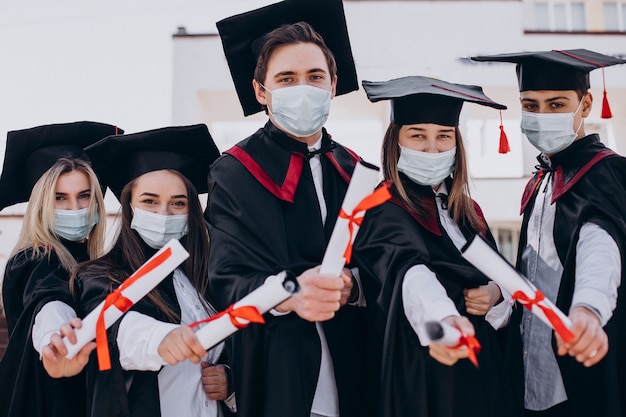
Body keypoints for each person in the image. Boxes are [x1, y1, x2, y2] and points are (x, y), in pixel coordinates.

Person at [207, 0, 368, 416]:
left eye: (314, 77)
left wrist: (354, 285)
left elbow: (384, 260)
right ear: (261, 91)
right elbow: (226, 277)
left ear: (333, 84)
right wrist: (289, 295)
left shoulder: (357, 170)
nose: (303, 88)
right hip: (277, 365)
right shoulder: (234, 172)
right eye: (286, 78)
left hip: (356, 362)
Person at [352, 76, 519, 417]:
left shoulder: (469, 212)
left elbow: (507, 282)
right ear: (395, 142)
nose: (432, 149)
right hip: (423, 373)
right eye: (417, 135)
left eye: (444, 136)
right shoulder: (382, 208)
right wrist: (443, 321)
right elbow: (409, 275)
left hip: (483, 374)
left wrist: (496, 294)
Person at [471, 49, 626, 417]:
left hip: (579, 366)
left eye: (556, 104)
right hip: (529, 368)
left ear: (585, 104)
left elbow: (600, 246)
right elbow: (535, 269)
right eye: (531, 105)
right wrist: (500, 292)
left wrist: (588, 308)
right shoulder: (542, 178)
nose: (542, 117)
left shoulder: (607, 173)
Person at [71, 124, 234, 417]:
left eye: (178, 203)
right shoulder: (101, 276)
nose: (163, 214)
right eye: (149, 201)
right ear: (129, 206)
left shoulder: (209, 279)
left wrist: (231, 384)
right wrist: (162, 338)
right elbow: (116, 328)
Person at [0, 121, 122, 417]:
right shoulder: (34, 257)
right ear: (41, 204)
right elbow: (47, 298)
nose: (75, 208)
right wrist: (57, 337)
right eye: (59, 198)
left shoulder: (85, 258)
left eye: (83, 196)